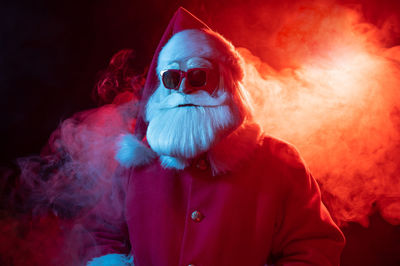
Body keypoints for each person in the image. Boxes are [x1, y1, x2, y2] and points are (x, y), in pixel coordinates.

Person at [84, 7, 345, 266]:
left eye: (198, 76)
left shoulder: (278, 162)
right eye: (172, 78)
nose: (184, 87)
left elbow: (314, 248)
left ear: (227, 84)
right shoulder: (134, 166)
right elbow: (99, 237)